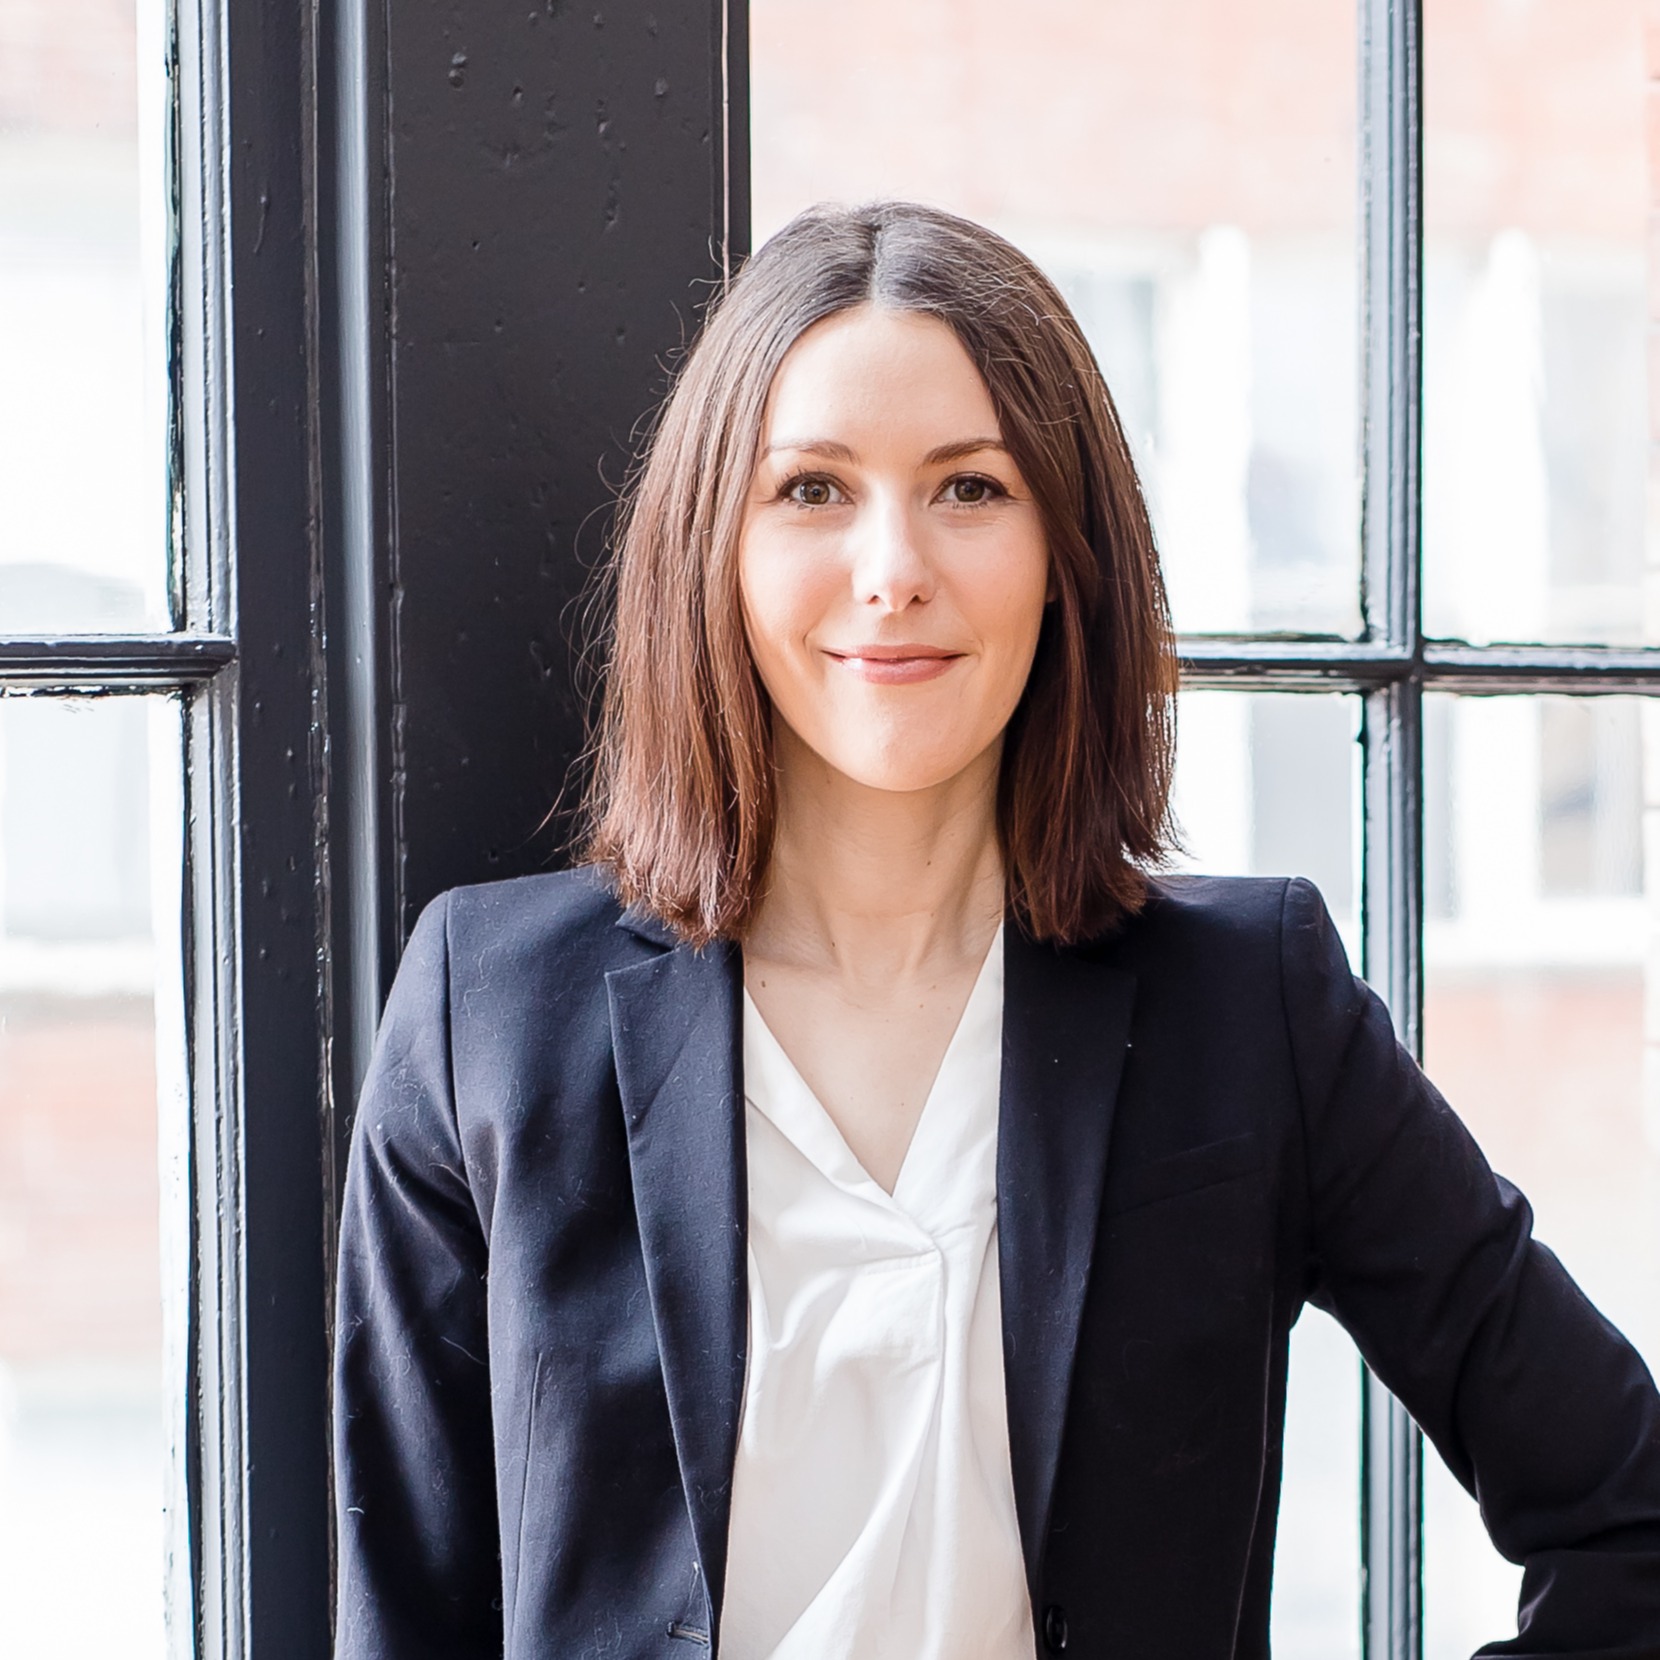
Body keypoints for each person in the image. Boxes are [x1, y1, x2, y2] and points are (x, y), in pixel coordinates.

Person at [332, 202, 1660, 1660]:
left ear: (1066, 552)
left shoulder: (1251, 1007)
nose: (892, 568)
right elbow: (402, 1613)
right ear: (712, 546)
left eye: (970, 488)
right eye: (812, 489)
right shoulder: (486, 1014)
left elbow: (1629, 1517)